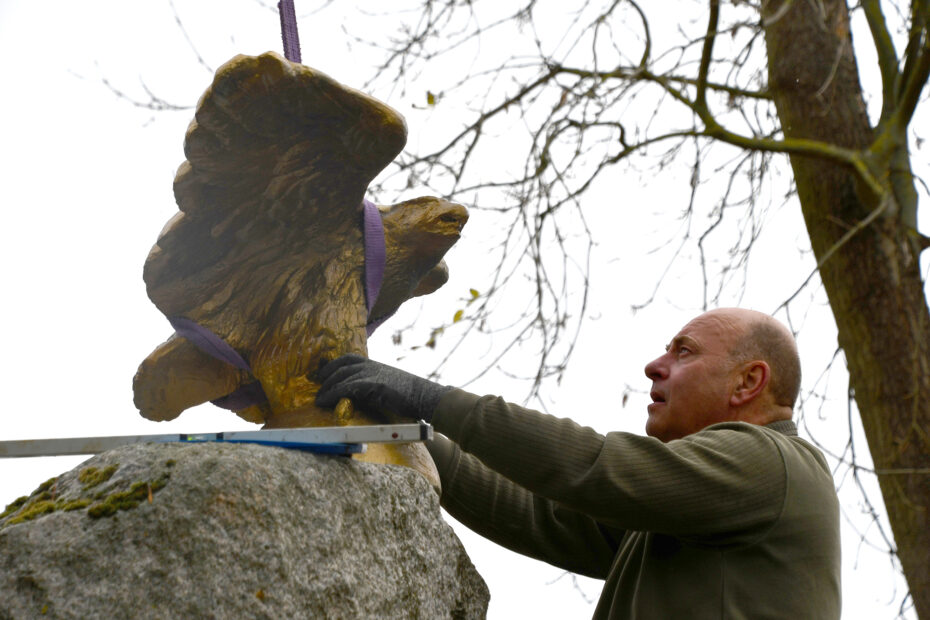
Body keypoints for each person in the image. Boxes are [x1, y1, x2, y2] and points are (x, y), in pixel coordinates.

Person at [316, 308, 841, 619]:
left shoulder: (773, 464)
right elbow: (534, 511)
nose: (654, 365)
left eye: (684, 352)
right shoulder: (684, 512)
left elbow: (595, 467)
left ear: (748, 382)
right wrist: (402, 431)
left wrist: (432, 400)